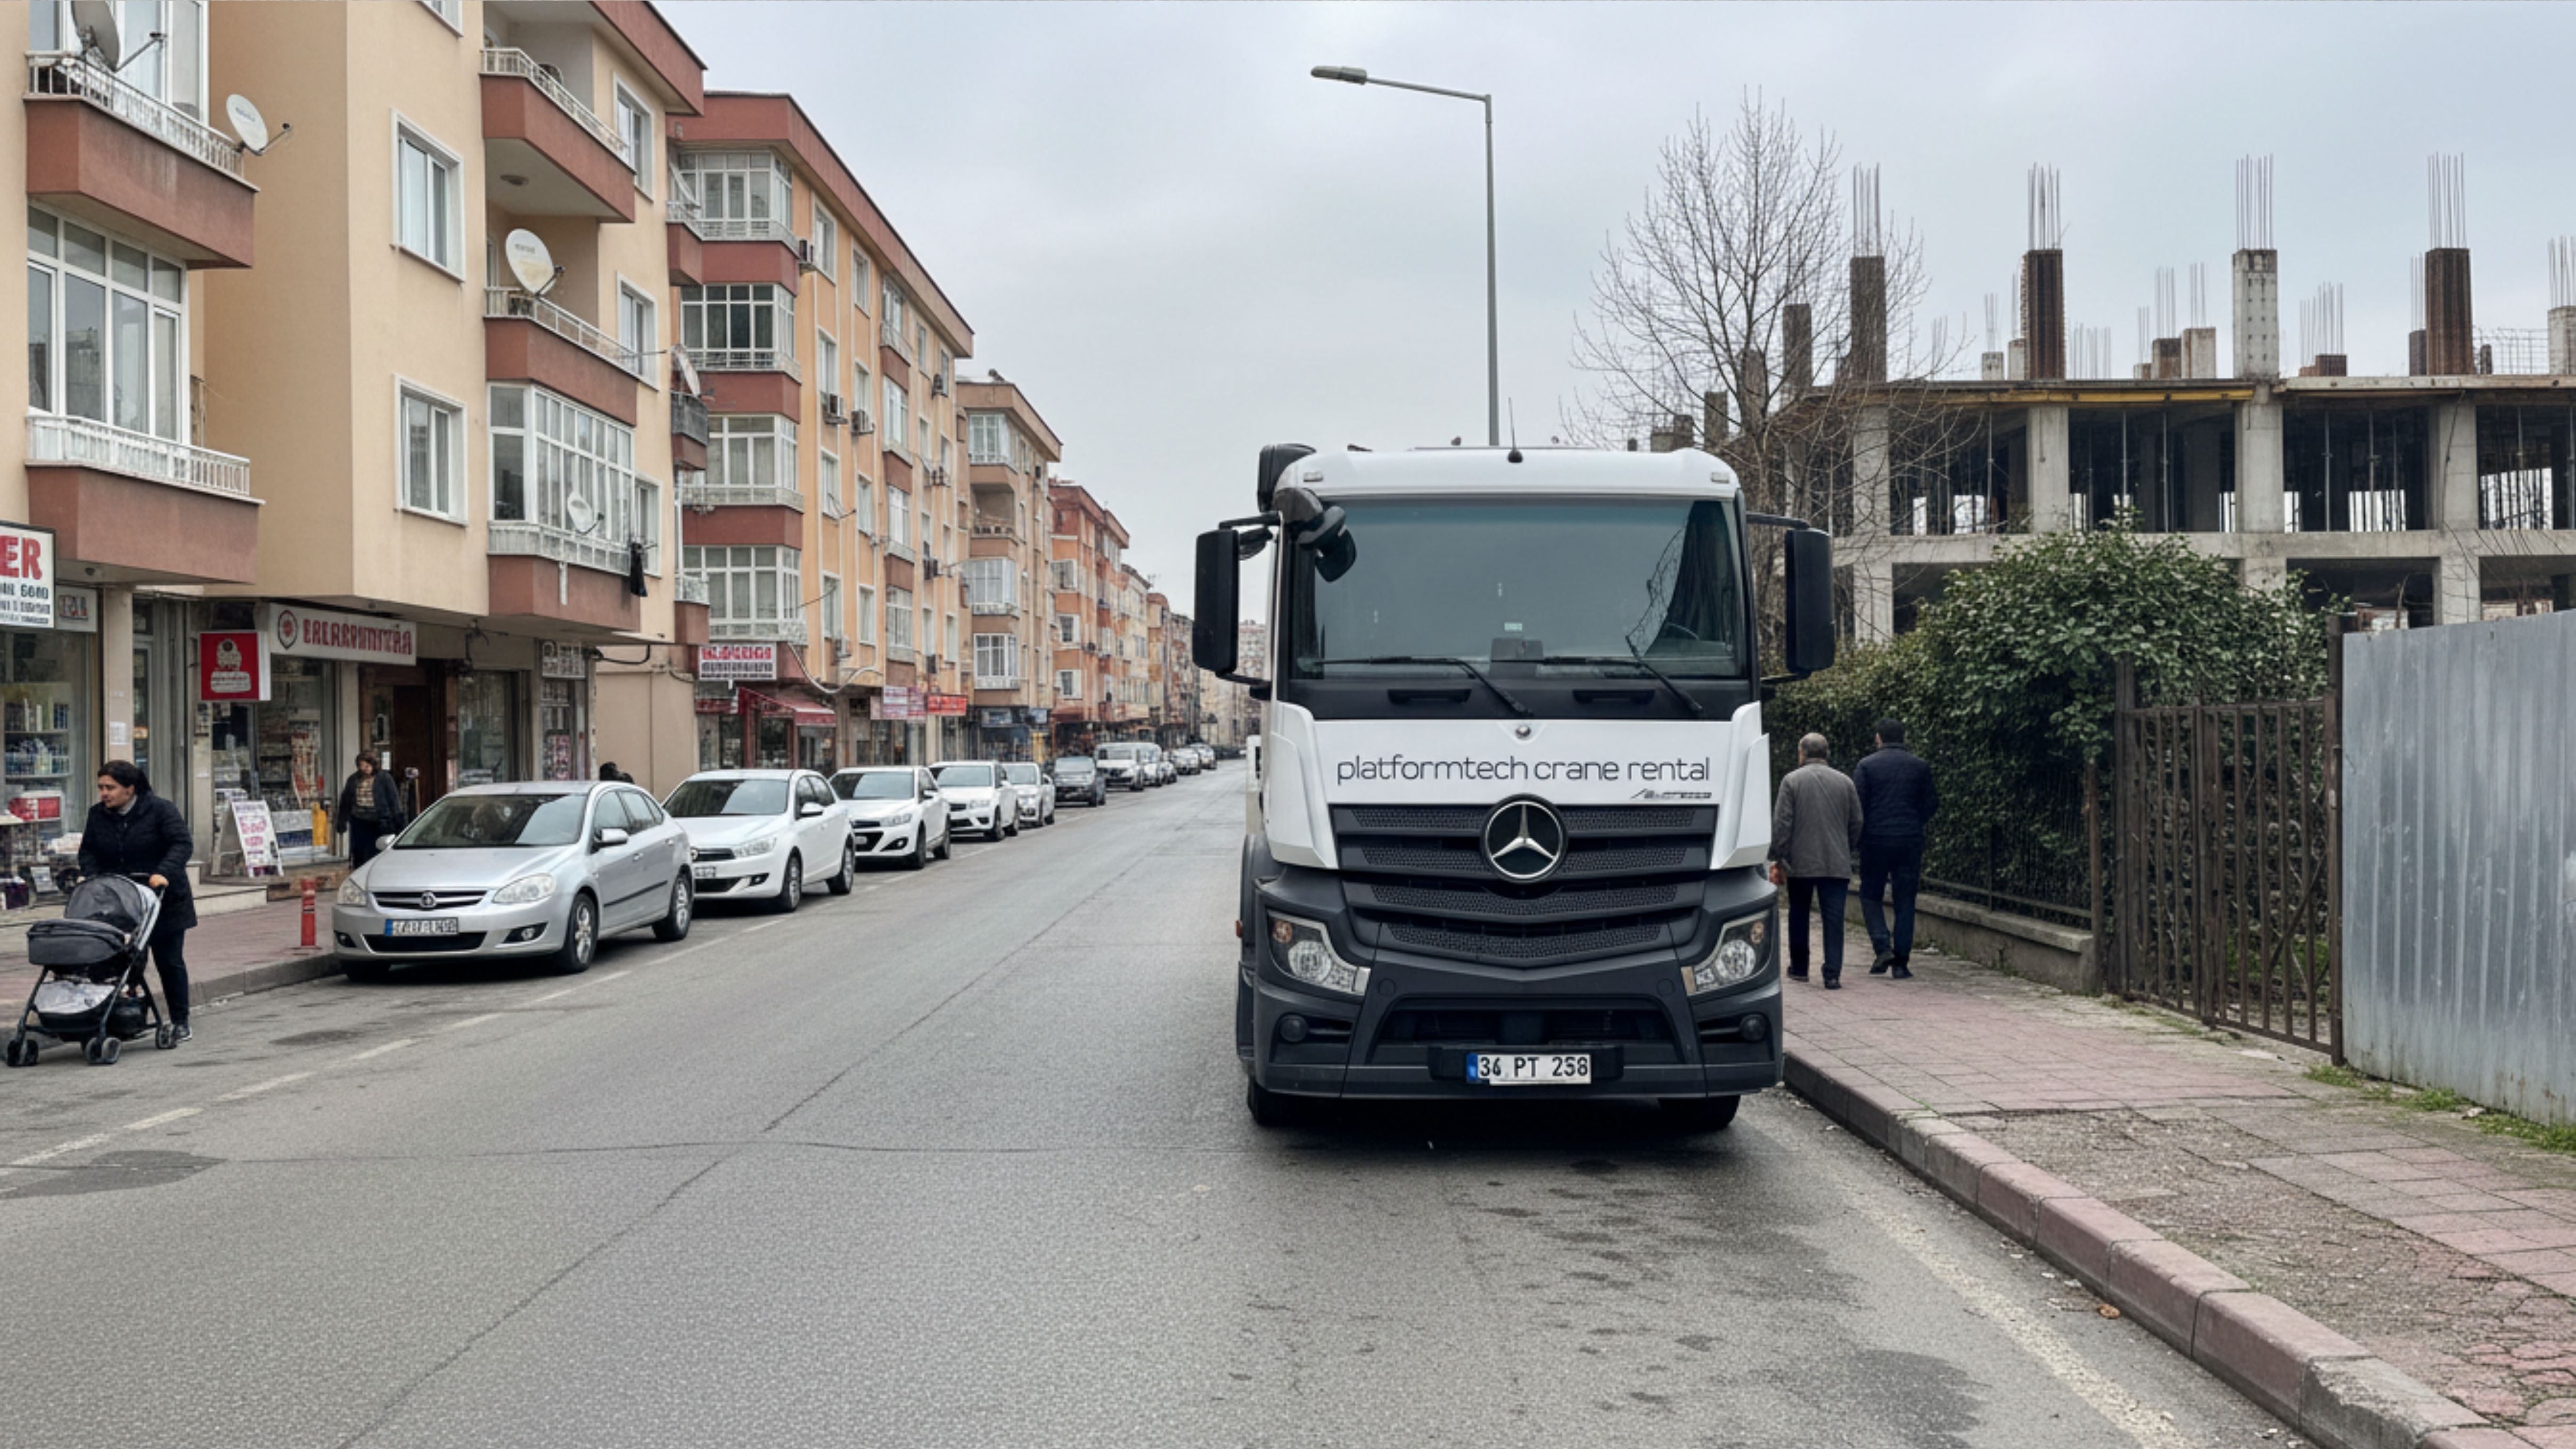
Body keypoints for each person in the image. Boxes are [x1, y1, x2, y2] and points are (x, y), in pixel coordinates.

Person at [77, 761, 198, 1043]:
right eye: (101, 788)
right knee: (119, 960)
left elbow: (182, 844)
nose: (104, 794)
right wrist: (92, 877)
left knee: (169, 960)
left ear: (130, 789)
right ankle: (123, 1016)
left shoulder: (161, 810)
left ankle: (180, 1020)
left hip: (163, 899)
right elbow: (88, 851)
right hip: (121, 900)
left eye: (110, 788)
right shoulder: (97, 815)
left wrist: (163, 873)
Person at [1768, 732, 1863, 988]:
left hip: (1801, 862)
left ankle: (1800, 968)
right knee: (1834, 918)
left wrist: (1779, 857)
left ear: (1802, 753)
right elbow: (1857, 822)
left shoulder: (1792, 781)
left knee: (1799, 912)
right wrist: (1845, 847)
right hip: (1836, 862)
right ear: (1827, 753)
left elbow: (1783, 823)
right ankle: (1832, 974)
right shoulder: (1845, 782)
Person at [1852, 716, 1938, 980]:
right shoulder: (1919, 766)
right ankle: (1901, 963)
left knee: (1870, 894)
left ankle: (1882, 946)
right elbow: (1931, 803)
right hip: (1909, 839)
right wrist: (1914, 821)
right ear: (1904, 737)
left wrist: (1860, 835)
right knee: (1905, 899)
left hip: (1875, 839)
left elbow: (1857, 806)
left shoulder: (1866, 766)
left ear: (1878, 738)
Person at [335, 752, 405, 867]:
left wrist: (399, 823)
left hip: (379, 821)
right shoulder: (354, 780)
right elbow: (346, 801)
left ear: (373, 765)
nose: (365, 769)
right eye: (362, 766)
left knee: (376, 851)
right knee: (359, 851)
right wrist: (342, 822)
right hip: (359, 820)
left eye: (367, 766)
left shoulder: (384, 778)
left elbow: (393, 800)